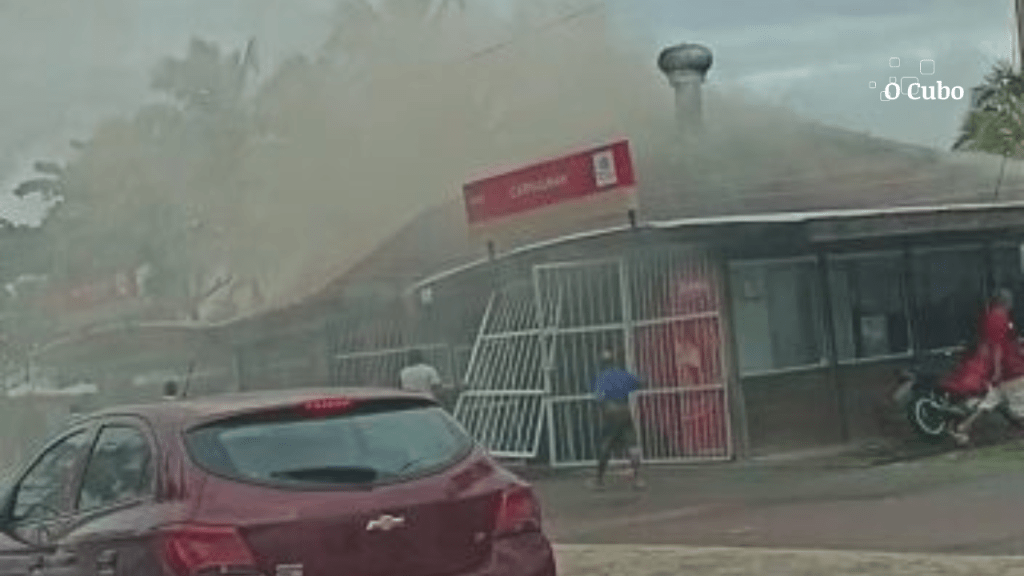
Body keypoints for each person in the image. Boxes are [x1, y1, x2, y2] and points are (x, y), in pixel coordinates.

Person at [950, 288, 1024, 445]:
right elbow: (997, 346)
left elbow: (998, 342)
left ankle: (962, 428)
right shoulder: (1000, 317)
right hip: (1012, 370)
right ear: (1006, 301)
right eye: (1011, 300)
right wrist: (997, 370)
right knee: (1019, 409)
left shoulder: (991, 316)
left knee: (988, 403)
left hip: (1004, 370)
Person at [589, 349, 645, 490]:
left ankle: (599, 480)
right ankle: (637, 479)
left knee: (606, 444)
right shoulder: (622, 374)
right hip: (624, 410)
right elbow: (639, 382)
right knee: (632, 443)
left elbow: (599, 397)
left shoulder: (602, 377)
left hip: (611, 411)